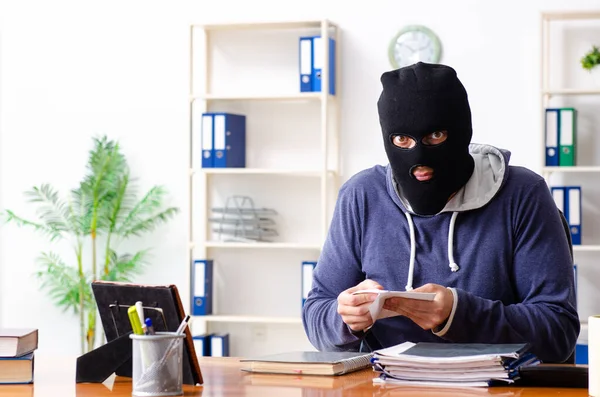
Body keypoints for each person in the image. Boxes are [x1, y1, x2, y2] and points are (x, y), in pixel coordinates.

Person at [301, 61, 579, 364]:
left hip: (499, 387)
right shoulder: (362, 195)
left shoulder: (522, 194)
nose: (419, 159)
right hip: (386, 385)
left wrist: (460, 315)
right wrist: (345, 318)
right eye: (401, 140)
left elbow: (558, 330)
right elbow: (316, 313)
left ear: (461, 131)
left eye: (435, 136)